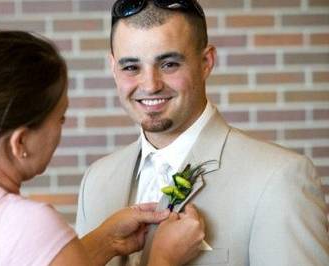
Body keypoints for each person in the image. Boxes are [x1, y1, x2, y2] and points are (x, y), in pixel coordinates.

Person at [76, 1, 329, 265]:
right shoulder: (96, 181)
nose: (150, 85)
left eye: (169, 64)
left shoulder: (279, 179)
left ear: (206, 62)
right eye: (131, 67)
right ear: (113, 68)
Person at [0, 30, 205, 266]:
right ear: (20, 142)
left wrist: (105, 241)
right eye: (60, 118)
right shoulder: (24, 223)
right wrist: (163, 259)